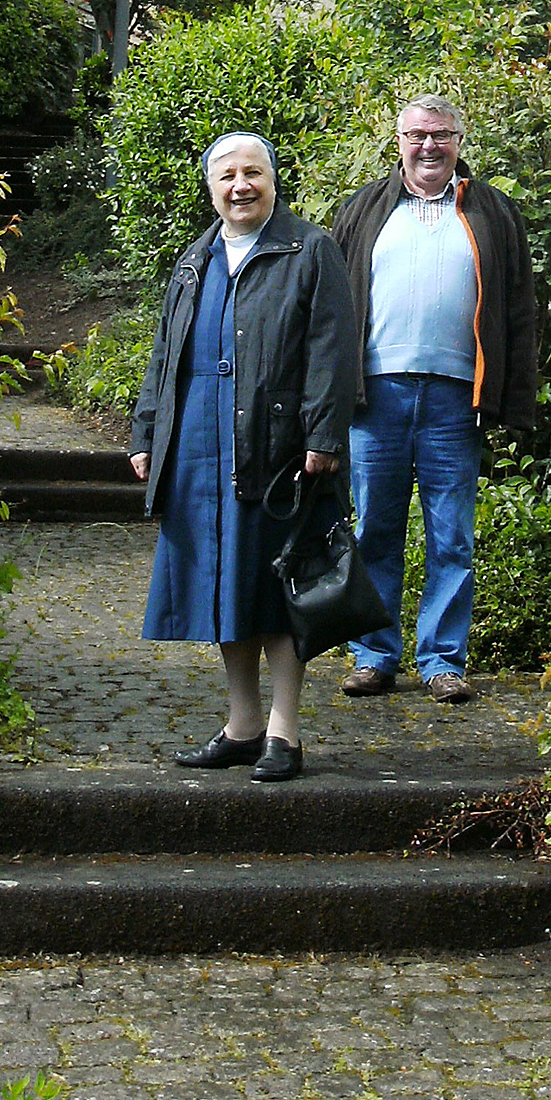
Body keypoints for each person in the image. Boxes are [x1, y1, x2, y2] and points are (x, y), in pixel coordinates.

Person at [129, 131, 359, 781]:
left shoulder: (309, 250)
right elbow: (165, 357)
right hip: (199, 447)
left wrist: (323, 436)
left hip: (277, 447)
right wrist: (148, 433)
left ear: (273, 179)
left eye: (252, 172)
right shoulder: (193, 259)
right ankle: (242, 725)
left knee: (279, 588)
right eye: (227, 175)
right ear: (211, 188)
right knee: (223, 587)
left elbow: (333, 353)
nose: (240, 186)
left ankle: (284, 732)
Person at [330, 93, 538, 704]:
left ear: (459, 142)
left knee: (453, 537)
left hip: (455, 399)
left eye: (441, 135)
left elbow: (520, 309)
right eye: (417, 135)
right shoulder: (364, 209)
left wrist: (515, 397)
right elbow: (333, 306)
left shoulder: (493, 211)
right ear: (397, 141)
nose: (429, 146)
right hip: (376, 397)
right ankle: (373, 655)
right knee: (375, 530)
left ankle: (443, 660)